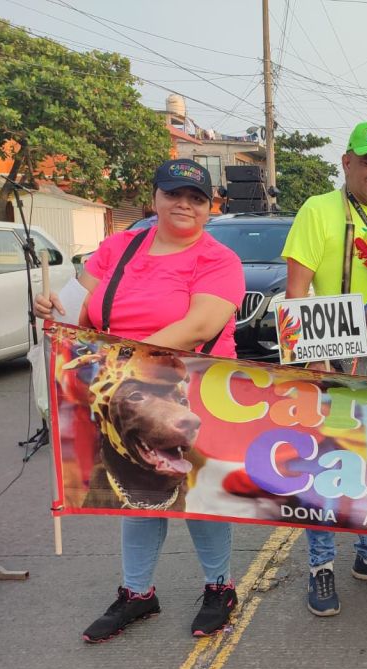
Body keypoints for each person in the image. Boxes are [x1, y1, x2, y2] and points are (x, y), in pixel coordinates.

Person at [34, 159, 245, 642]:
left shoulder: (219, 261)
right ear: (154, 198)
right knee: (134, 488)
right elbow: (75, 310)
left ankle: (220, 588)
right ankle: (137, 592)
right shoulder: (117, 248)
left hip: (189, 387)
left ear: (210, 208)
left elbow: (198, 326)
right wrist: (50, 309)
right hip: (120, 387)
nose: (184, 204)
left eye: (196, 198)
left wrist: (123, 356)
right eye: (174, 194)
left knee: (197, 491)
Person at [282, 121, 367, 617]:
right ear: (346, 162)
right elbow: (296, 291)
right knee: (324, 469)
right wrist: (312, 358)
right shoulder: (318, 209)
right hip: (330, 359)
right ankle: (321, 566)